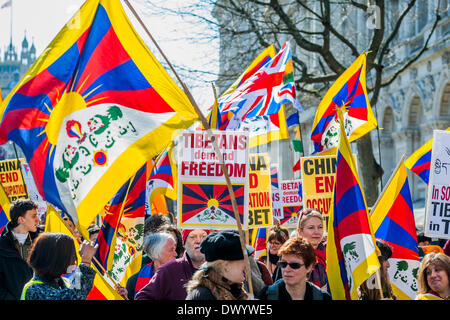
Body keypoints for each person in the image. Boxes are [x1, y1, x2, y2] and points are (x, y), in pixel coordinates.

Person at [135, 229, 209, 300]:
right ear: (184, 243)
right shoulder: (168, 270)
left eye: (203, 236)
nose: (199, 241)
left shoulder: (219, 270)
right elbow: (141, 297)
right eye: (193, 237)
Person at [21, 232, 98, 300]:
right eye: (71, 255)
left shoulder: (63, 282)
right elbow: (73, 297)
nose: (74, 260)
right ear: (57, 259)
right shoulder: (34, 290)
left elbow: (75, 292)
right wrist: (85, 261)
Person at [257, 236, 331, 300]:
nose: (287, 269)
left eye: (294, 265)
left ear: (309, 267)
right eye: (283, 264)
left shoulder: (323, 297)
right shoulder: (266, 296)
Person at [186, 230, 253, 300]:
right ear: (225, 266)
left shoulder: (235, 290)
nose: (247, 263)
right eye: (242, 259)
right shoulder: (203, 296)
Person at [0, 199, 40, 299]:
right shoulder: (1, 245)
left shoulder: (42, 241)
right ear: (21, 220)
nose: (38, 219)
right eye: (33, 216)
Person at [126, 232, 177, 299]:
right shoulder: (134, 281)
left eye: (174, 249)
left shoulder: (183, 277)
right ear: (157, 253)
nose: (176, 254)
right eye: (171, 250)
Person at [296, 208, 327, 289]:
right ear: (300, 231)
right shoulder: (291, 256)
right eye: (311, 228)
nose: (316, 232)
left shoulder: (331, 253)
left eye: (320, 227)